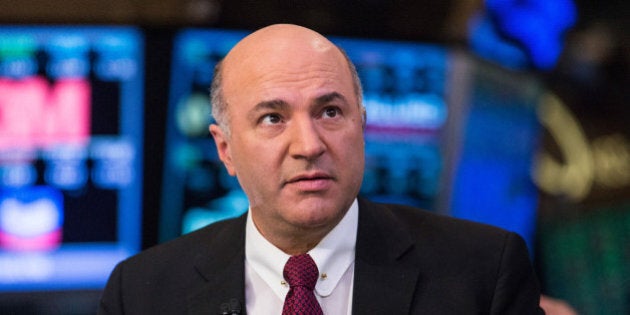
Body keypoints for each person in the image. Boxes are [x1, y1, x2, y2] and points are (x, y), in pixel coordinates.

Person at [97, 24, 544, 314]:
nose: (309, 146)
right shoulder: (140, 295)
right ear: (226, 149)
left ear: (362, 127)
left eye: (330, 112)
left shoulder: (483, 274)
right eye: (272, 118)